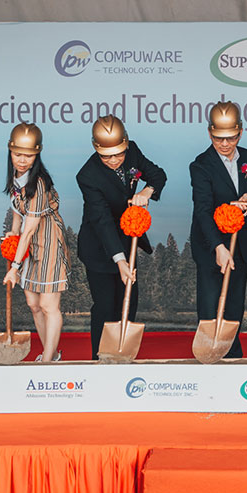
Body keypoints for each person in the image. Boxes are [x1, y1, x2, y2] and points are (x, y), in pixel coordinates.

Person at [76, 115, 166, 360]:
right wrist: (120, 260)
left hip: (128, 239)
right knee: (105, 306)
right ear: (96, 149)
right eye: (107, 156)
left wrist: (147, 191)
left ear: (126, 144)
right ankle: (99, 358)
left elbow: (158, 175)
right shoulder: (87, 176)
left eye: (119, 153)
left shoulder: (133, 151)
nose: (114, 160)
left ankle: (123, 355)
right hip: (99, 246)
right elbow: (102, 221)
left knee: (129, 301)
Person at [189, 101, 247, 358]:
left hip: (239, 245)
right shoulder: (200, 165)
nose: (225, 144)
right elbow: (203, 211)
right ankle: (208, 355)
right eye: (218, 138)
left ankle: (232, 354)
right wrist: (218, 247)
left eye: (231, 138)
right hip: (210, 245)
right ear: (209, 133)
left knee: (234, 305)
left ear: (240, 132)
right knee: (210, 305)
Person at [2, 123, 69, 363]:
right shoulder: (16, 178)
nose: (22, 160)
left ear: (37, 155)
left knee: (49, 305)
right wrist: (12, 233)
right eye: (18, 154)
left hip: (48, 241)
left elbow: (30, 229)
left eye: (29, 156)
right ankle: (52, 353)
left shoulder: (38, 183)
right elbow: (18, 213)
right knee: (33, 304)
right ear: (10, 151)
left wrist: (14, 267)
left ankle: (48, 360)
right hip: (28, 245)